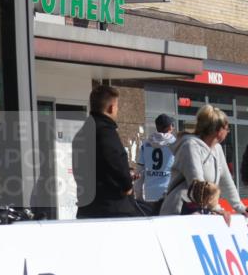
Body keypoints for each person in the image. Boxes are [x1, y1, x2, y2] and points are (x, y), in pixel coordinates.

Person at [161, 105, 248, 221]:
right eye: (227, 128)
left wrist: (240, 207)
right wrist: (216, 208)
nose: (228, 132)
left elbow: (226, 181)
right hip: (180, 211)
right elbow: (197, 184)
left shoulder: (217, 149)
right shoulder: (190, 146)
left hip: (199, 211)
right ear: (217, 130)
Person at [73, 85, 142, 219]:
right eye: (117, 106)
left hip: (87, 207)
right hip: (112, 209)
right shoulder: (105, 131)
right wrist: (127, 185)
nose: (117, 110)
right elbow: (115, 161)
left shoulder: (81, 133)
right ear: (111, 107)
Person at [135, 113, 177, 215]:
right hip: (168, 193)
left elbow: (139, 172)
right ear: (169, 127)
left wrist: (139, 195)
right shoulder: (176, 144)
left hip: (149, 193)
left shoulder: (146, 144)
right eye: (172, 125)